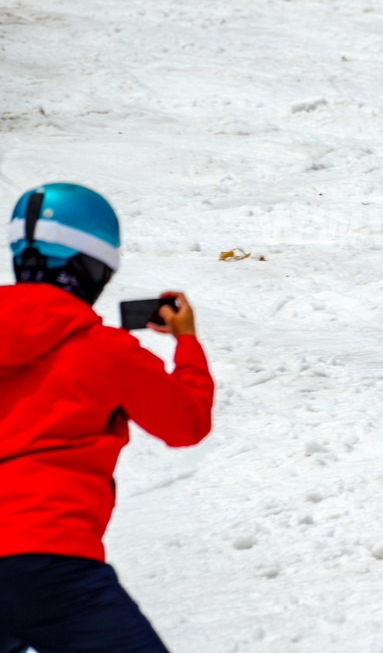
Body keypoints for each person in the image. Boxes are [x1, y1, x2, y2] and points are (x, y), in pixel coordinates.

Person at [0, 183, 214, 653]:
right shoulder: (104, 351)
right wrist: (187, 343)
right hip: (48, 561)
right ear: (95, 268)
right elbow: (187, 423)